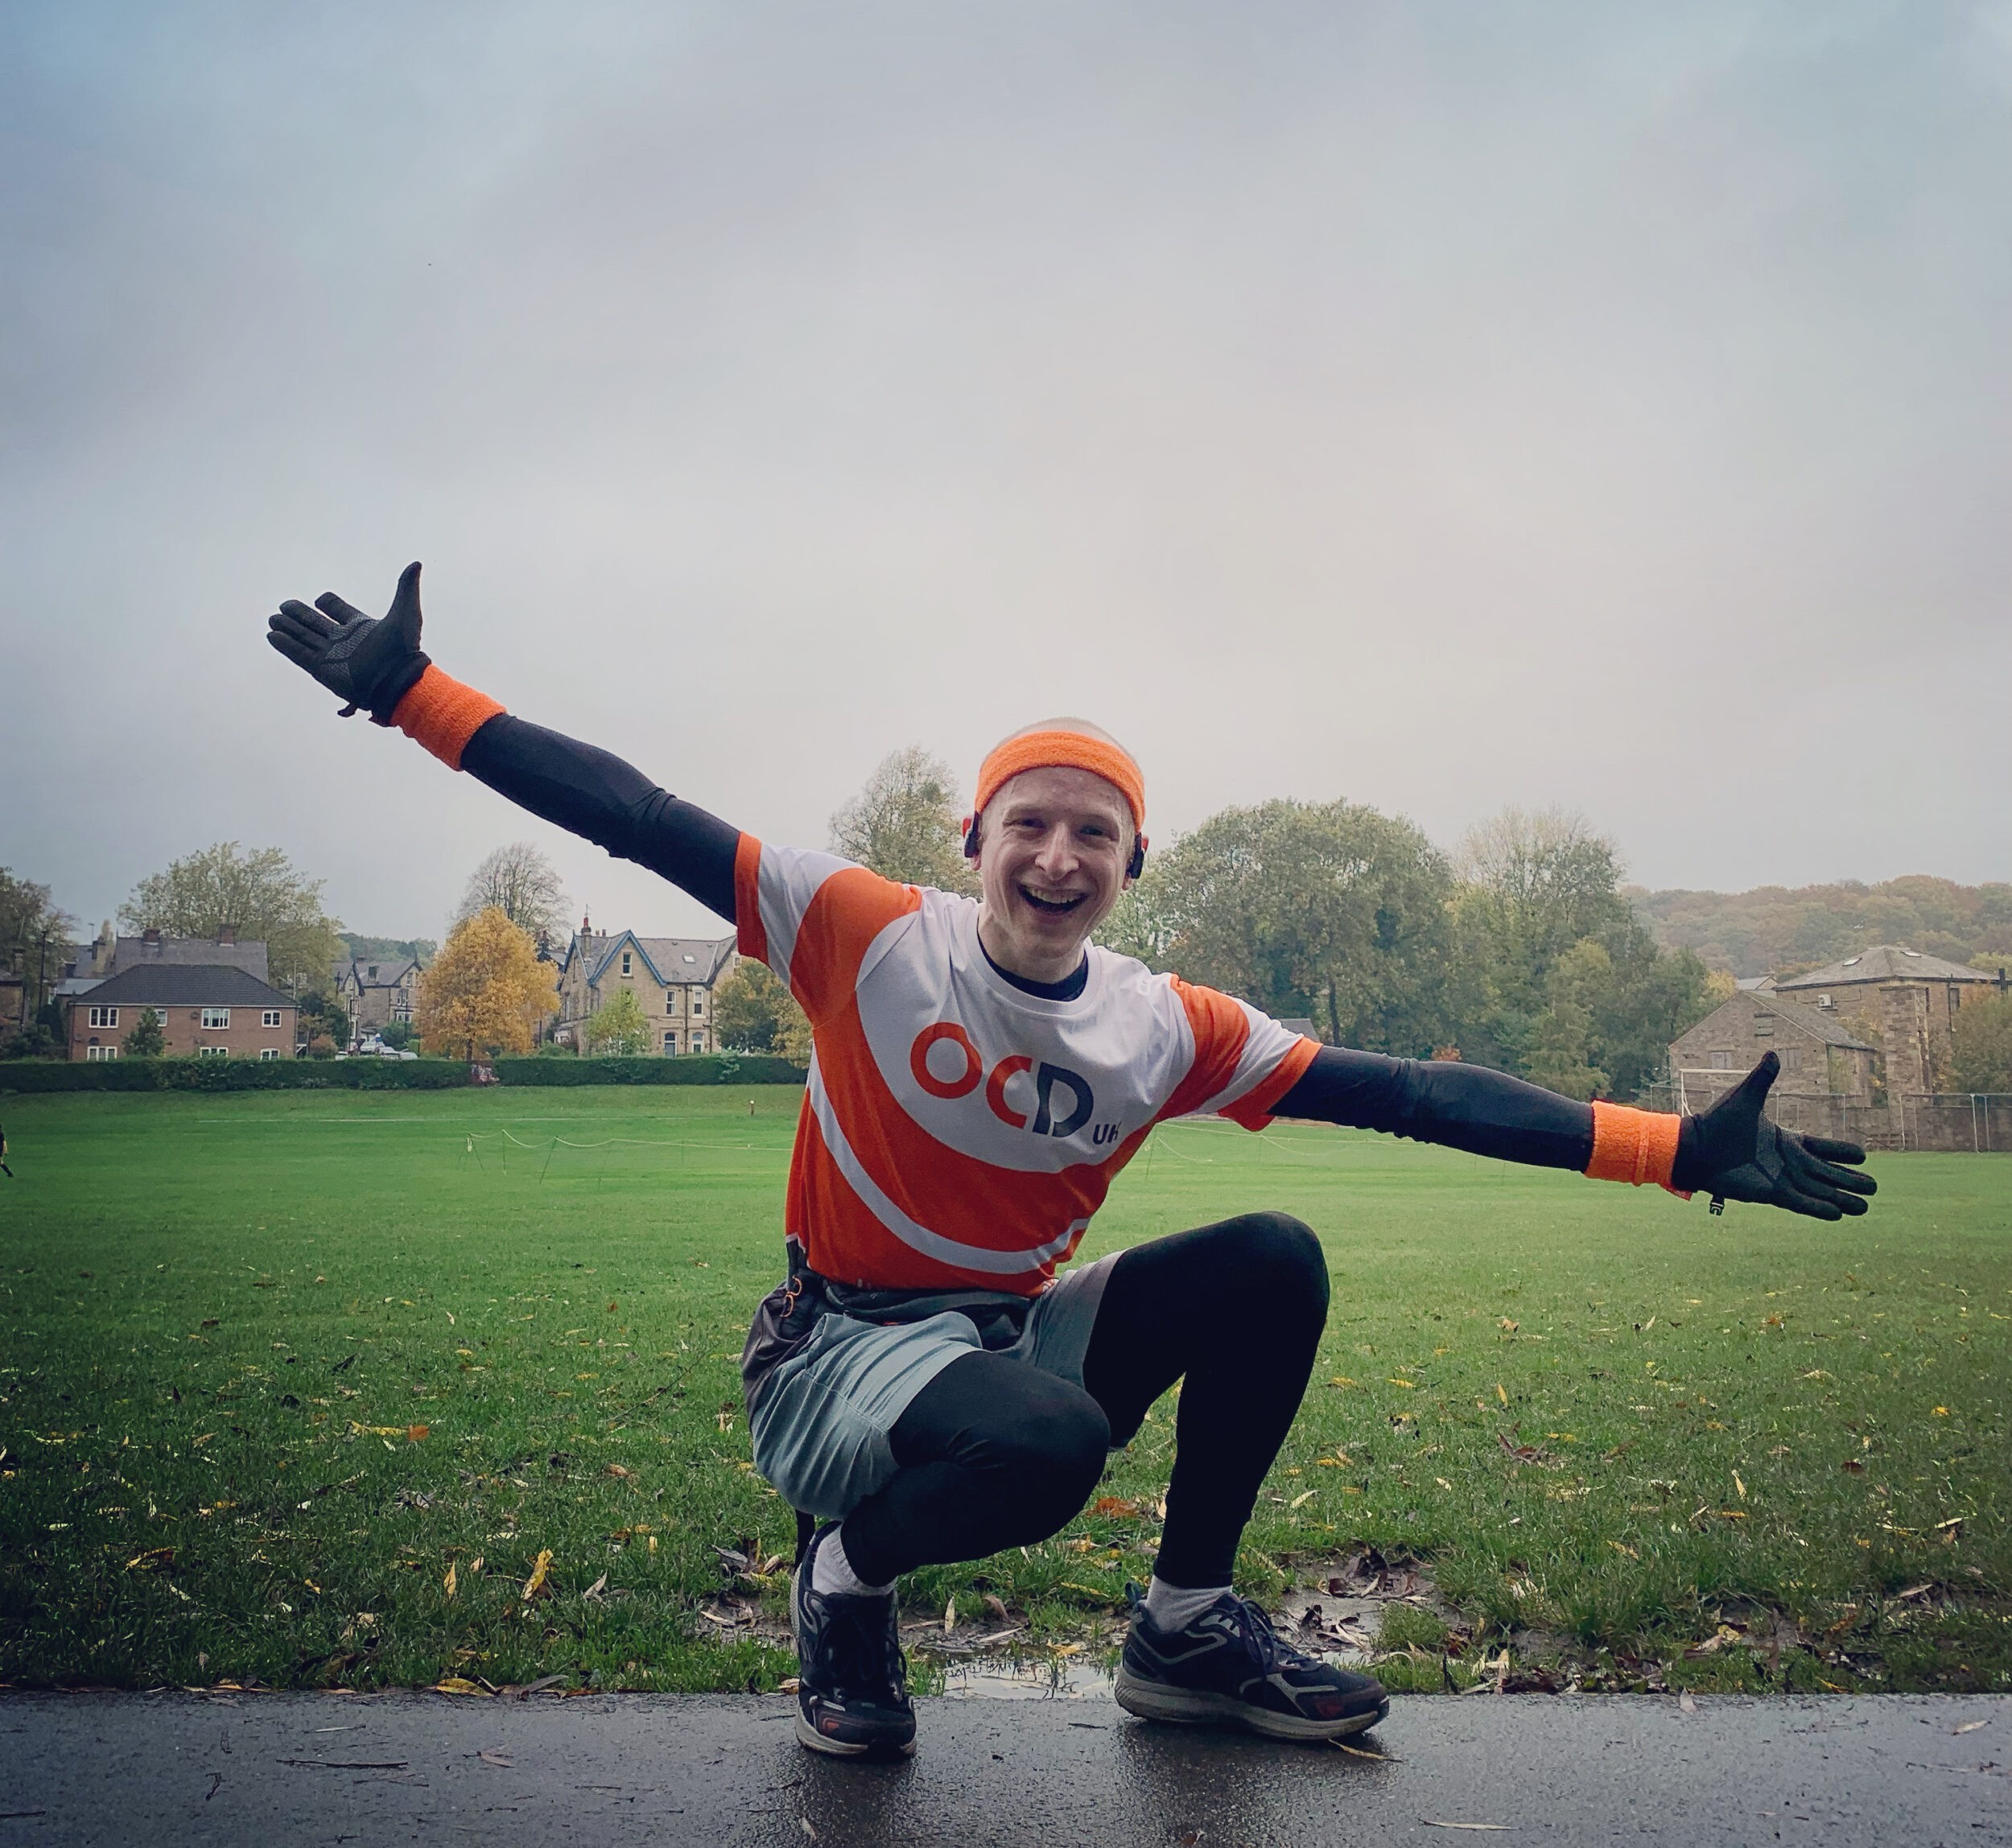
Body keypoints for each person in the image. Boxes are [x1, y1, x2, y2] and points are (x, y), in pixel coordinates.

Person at [268, 563, 1875, 1759]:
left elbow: (1413, 1091)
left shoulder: (1159, 1023)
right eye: (1026, 821)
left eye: (1091, 832)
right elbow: (635, 811)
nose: (1055, 853)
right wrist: (420, 695)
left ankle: (1182, 1633)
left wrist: (1667, 1147)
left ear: (1128, 863)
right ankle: (842, 1570)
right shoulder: (862, 935)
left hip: (995, 1334)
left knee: (1270, 1256)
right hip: (834, 1348)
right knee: (1041, 1443)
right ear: (971, 841)